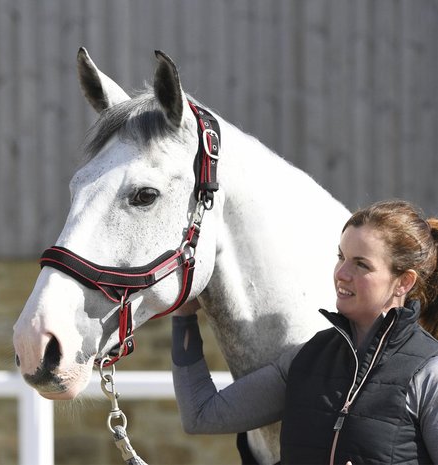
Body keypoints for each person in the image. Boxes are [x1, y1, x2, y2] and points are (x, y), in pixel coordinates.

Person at [171, 199, 438, 465]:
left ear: (404, 281)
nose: (341, 273)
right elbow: (201, 414)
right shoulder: (306, 358)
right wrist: (183, 316)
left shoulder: (429, 373)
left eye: (361, 264)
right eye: (341, 257)